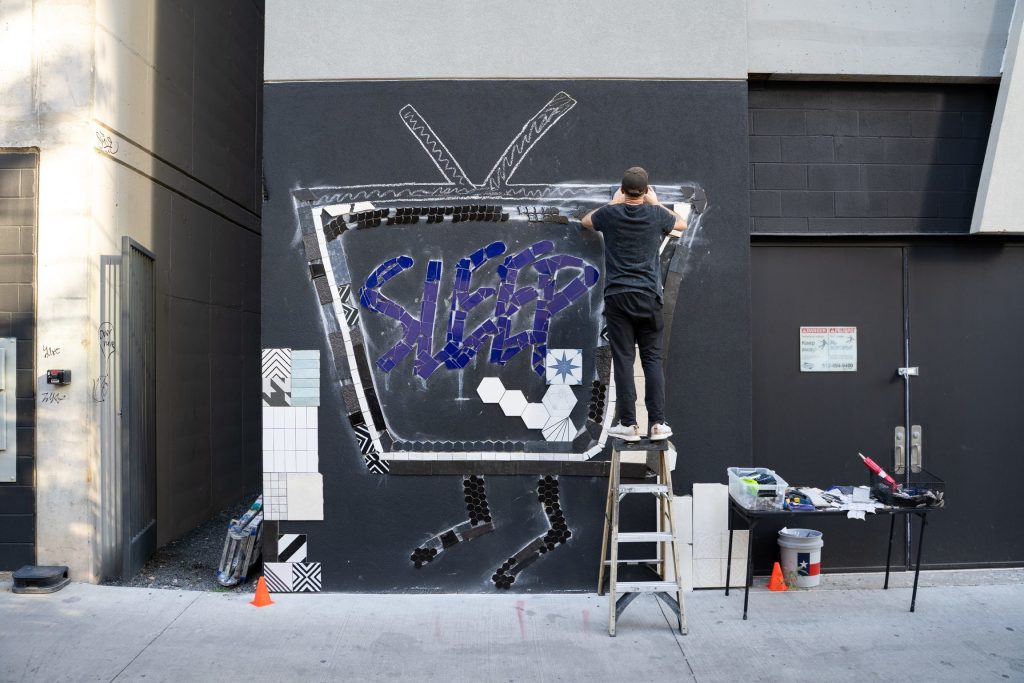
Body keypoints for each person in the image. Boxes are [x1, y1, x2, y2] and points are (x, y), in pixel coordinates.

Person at [581, 167, 687, 442]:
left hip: (618, 297)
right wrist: (656, 203)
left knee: (624, 361)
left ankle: (628, 423)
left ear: (622, 189)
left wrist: (614, 202)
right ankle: (657, 424)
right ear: (646, 190)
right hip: (649, 296)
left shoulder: (611, 214)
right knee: (652, 359)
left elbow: (585, 221)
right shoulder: (655, 214)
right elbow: (681, 224)